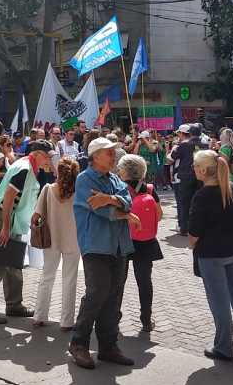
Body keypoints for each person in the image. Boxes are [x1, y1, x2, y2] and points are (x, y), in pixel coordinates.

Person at [68, 137, 137, 370]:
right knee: (97, 293)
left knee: (114, 296)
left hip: (118, 245)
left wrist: (110, 199)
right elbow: (103, 212)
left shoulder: (115, 179)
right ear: (95, 155)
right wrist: (121, 209)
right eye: (109, 152)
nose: (113, 156)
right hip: (96, 245)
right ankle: (79, 343)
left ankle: (108, 346)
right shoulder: (84, 179)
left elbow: (127, 202)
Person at [188, 149, 233, 362]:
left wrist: (192, 245)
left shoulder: (202, 195)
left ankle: (223, 346)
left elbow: (194, 232)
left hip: (213, 253)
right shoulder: (231, 188)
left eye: (195, 166)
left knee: (219, 301)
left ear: (202, 170)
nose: (193, 169)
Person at [0, 139, 53, 324]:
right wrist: (5, 227)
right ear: (37, 154)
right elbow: (9, 198)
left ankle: (14, 305)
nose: (49, 161)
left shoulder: (28, 166)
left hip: (12, 219)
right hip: (4, 218)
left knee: (14, 263)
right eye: (47, 157)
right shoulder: (25, 168)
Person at [32, 158, 81, 331]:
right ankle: (67, 321)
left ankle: (39, 315)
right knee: (70, 280)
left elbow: (36, 216)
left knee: (47, 276)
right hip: (74, 240)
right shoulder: (79, 191)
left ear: (58, 172)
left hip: (51, 239)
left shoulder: (47, 189)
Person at [117, 154, 163, 332]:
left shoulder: (119, 189)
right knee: (144, 281)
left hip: (123, 240)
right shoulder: (149, 189)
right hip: (145, 241)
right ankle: (146, 319)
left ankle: (115, 317)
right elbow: (159, 215)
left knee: (119, 281)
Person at [168, 124, 199, 236]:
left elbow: (171, 158)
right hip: (199, 177)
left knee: (184, 203)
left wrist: (173, 149)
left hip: (185, 177)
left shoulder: (183, 145)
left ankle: (184, 228)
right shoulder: (204, 143)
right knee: (196, 202)